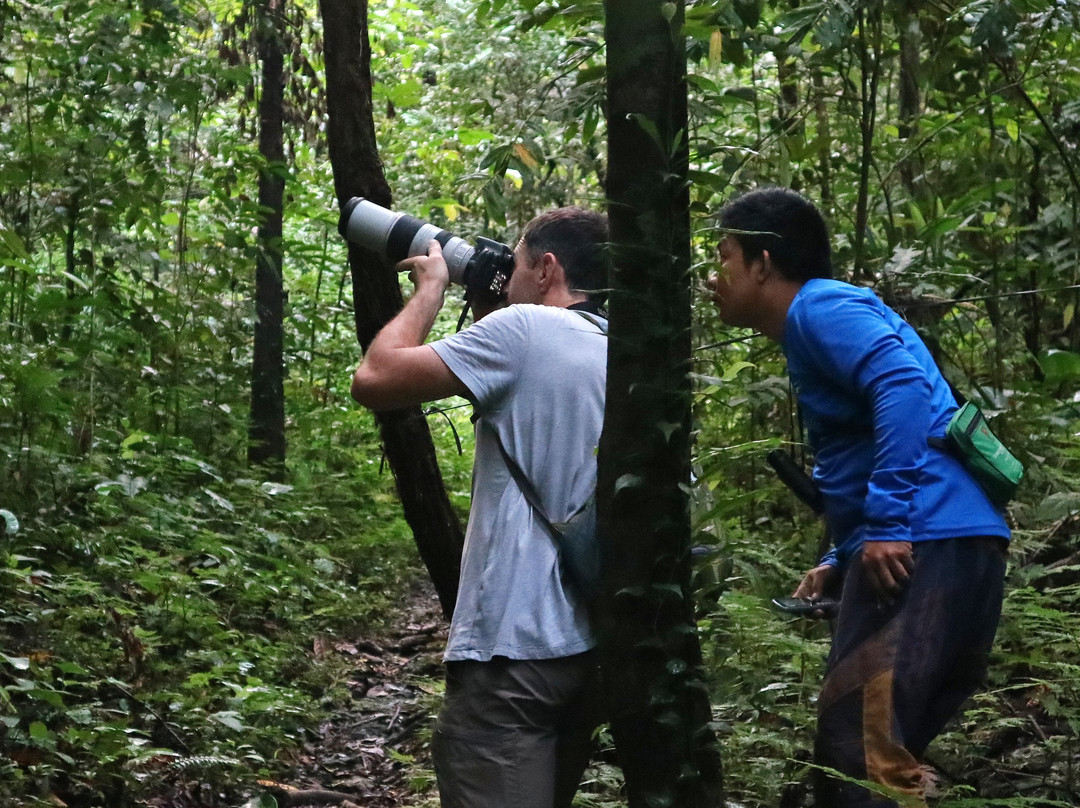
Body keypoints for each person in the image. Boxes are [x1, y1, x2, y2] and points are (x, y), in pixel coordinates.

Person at [706, 187, 1011, 808]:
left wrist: (888, 525)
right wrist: (846, 554)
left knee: (858, 751)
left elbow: (902, 387)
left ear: (763, 262)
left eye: (725, 255)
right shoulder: (817, 318)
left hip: (927, 534)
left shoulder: (822, 309)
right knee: (882, 749)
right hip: (951, 534)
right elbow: (869, 438)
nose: (717, 275)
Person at [350, 206, 609, 808]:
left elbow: (375, 377)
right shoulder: (618, 347)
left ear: (546, 270)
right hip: (591, 647)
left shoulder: (524, 331)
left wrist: (431, 288)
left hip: (515, 650)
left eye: (515, 263)